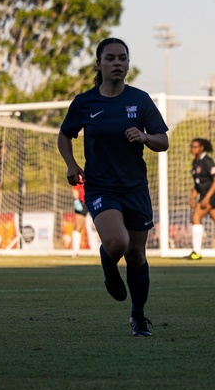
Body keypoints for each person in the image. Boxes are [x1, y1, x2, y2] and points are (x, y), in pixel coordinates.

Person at [57, 38, 170, 337]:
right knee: (118, 243)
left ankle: (138, 316)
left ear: (129, 63)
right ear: (99, 64)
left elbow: (163, 141)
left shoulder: (140, 100)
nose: (117, 63)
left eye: (122, 58)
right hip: (100, 188)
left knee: (136, 254)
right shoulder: (85, 102)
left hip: (135, 188)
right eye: (110, 58)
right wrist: (71, 165)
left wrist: (145, 138)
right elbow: (64, 135)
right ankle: (109, 267)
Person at [70, 179, 87, 256]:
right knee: (78, 225)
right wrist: (76, 200)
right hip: (82, 202)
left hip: (92, 200)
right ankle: (75, 250)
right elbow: (75, 188)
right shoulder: (80, 177)